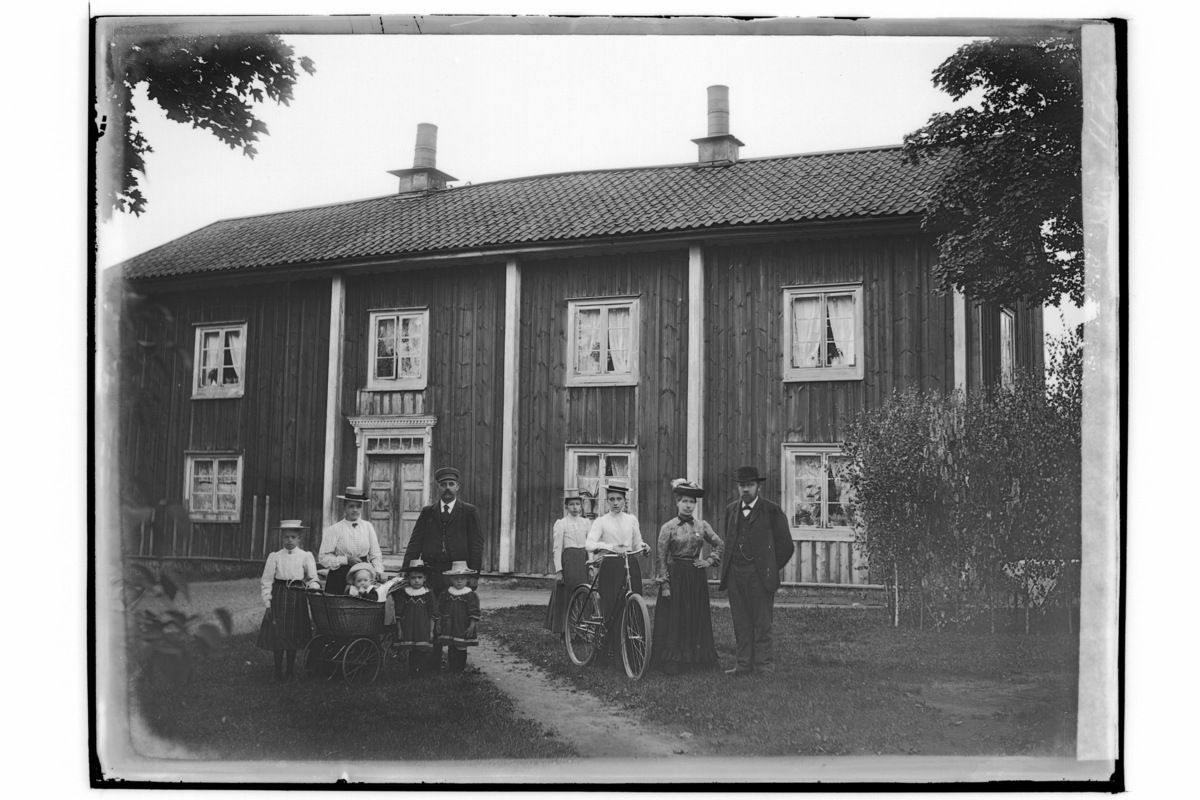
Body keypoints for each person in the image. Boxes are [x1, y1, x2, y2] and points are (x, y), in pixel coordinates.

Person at [403, 467, 485, 670]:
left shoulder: (468, 511)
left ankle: (456, 665)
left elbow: (476, 543)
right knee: (433, 613)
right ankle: (432, 663)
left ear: (457, 487)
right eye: (443, 484)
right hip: (432, 572)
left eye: (451, 484)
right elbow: (415, 541)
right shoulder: (428, 512)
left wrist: (474, 574)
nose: (447, 488)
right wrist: (407, 570)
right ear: (437, 487)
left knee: (458, 616)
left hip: (458, 574)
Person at [719, 466, 795, 676]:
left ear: (758, 487)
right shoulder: (731, 510)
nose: (745, 489)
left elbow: (786, 545)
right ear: (738, 488)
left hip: (760, 575)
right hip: (735, 573)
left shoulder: (771, 510)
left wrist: (768, 567)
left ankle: (764, 666)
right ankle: (743, 665)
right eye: (742, 485)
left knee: (762, 622)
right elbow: (730, 539)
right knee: (741, 621)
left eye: (750, 485)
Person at [651, 480, 724, 675]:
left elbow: (720, 544)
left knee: (696, 615)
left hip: (696, 576)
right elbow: (661, 556)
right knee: (675, 617)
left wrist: (709, 561)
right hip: (676, 576)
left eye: (692, 502)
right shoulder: (669, 527)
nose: (688, 505)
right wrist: (665, 584)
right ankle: (673, 661)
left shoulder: (702, 525)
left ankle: (697, 659)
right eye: (684, 501)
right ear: (677, 502)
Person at [584, 480, 649, 659]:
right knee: (612, 607)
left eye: (619, 499)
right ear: (607, 501)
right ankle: (611, 652)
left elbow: (637, 541)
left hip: (630, 565)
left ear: (625, 501)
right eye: (611, 499)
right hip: (611, 566)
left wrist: (644, 546)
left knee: (633, 605)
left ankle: (633, 652)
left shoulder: (631, 519)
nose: (615, 503)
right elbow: (589, 544)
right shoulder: (601, 521)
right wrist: (611, 547)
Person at [255, 520, 321, 682]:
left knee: (292, 635)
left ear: (299, 539)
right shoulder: (275, 556)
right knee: (279, 635)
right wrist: (268, 604)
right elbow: (267, 580)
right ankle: (277, 673)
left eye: (293, 537)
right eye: (286, 537)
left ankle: (290, 672)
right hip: (280, 595)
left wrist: (313, 588)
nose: (289, 540)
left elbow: (313, 577)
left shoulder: (306, 556)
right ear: (281, 538)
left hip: (297, 595)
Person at [319, 487, 385, 596]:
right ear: (344, 507)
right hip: (339, 574)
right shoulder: (334, 529)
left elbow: (375, 555)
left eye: (358, 506)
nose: (355, 510)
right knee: (337, 606)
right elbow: (323, 558)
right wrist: (346, 560)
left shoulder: (367, 526)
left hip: (363, 575)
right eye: (351, 506)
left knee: (361, 607)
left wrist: (379, 571)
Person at [543, 489, 592, 636]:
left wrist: (590, 564)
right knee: (568, 593)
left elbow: (590, 545)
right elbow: (557, 548)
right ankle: (565, 630)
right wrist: (559, 570)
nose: (575, 507)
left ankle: (582, 629)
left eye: (578, 504)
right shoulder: (561, 523)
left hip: (583, 560)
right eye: (571, 504)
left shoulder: (586, 522)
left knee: (584, 592)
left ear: (582, 506)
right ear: (566, 507)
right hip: (569, 560)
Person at [395, 559, 440, 676]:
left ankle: (422, 672)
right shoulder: (404, 592)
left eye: (419, 577)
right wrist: (399, 629)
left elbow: (433, 613)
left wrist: (431, 630)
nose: (416, 580)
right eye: (413, 577)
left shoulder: (427, 593)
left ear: (425, 578)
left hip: (423, 627)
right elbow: (399, 612)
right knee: (413, 650)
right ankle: (413, 672)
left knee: (422, 649)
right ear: (408, 578)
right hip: (409, 626)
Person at [437, 561, 481, 673]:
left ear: (467, 579)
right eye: (456, 578)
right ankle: (452, 669)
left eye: (462, 578)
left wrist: (472, 626)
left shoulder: (470, 595)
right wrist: (439, 623)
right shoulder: (446, 593)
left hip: (462, 624)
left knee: (461, 646)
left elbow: (474, 611)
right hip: (449, 624)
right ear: (451, 579)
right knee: (451, 645)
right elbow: (440, 609)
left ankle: (459, 669)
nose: (459, 581)